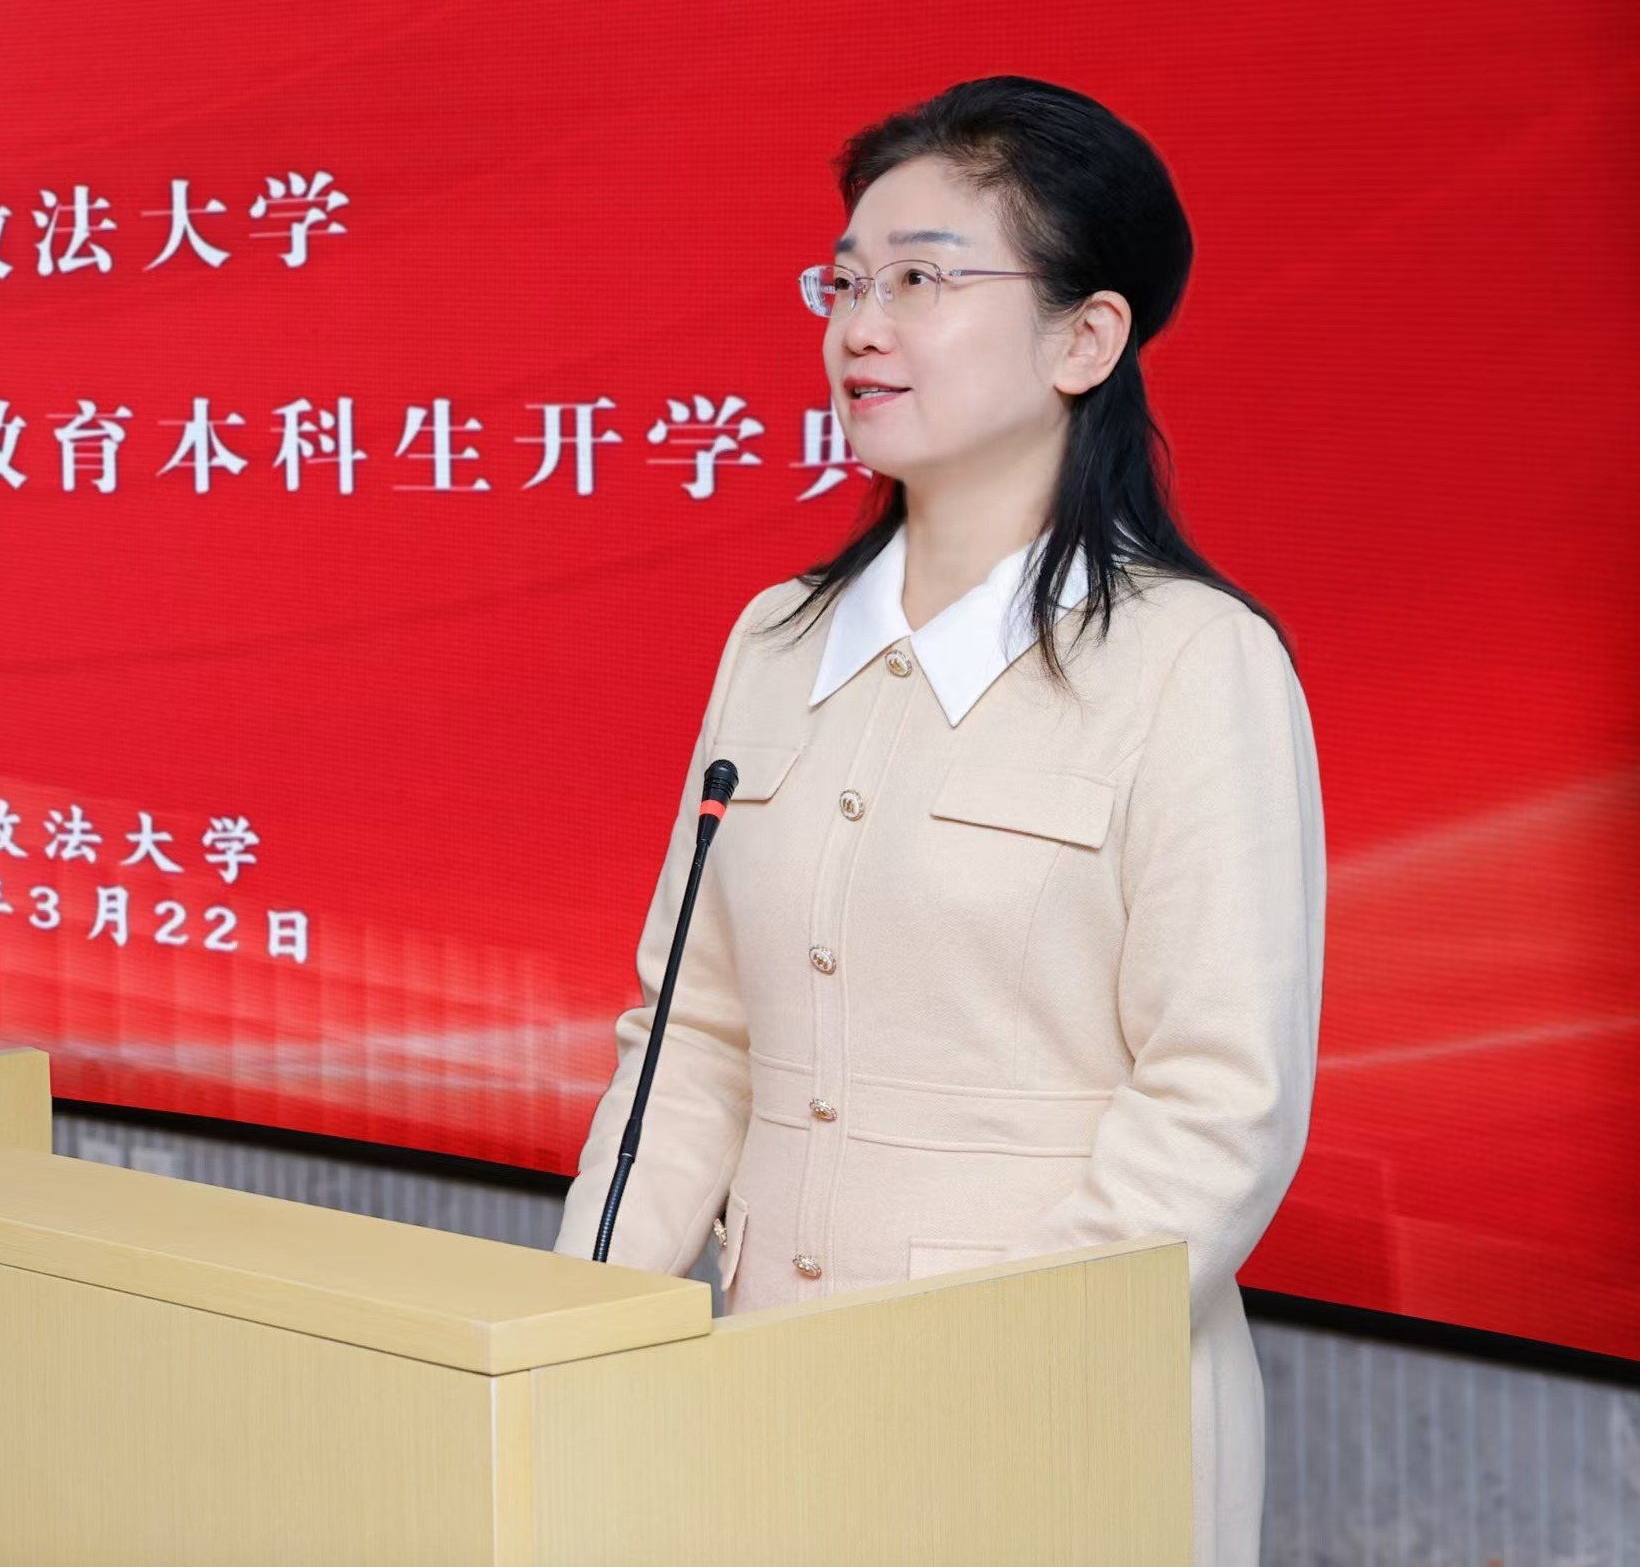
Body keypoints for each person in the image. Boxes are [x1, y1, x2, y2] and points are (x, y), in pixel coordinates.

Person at [553, 75, 1325, 1566]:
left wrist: (967, 1377)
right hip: (765, 1396)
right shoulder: (774, 639)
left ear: (1084, 340)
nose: (860, 326)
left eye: (921, 280)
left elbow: (1217, 1103)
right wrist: (575, 1326)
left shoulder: (1191, 662)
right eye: (845, 282)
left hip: (1052, 1424)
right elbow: (693, 1038)